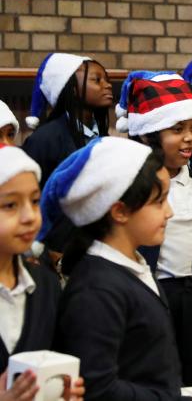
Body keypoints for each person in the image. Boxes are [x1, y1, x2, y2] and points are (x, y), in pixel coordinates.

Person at [43, 137, 192, 400]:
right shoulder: (96, 290)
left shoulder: (132, 264)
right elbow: (98, 388)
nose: (169, 212)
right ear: (120, 211)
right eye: (159, 201)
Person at [118, 71, 192, 384]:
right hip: (163, 298)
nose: (189, 138)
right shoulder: (134, 191)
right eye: (177, 129)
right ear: (149, 134)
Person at [0, 145, 85, 401]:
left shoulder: (44, 283)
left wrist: (64, 389)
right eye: (10, 205)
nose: (29, 216)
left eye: (35, 201)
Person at [23, 53, 113, 186]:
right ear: (73, 88)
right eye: (97, 80)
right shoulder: (45, 139)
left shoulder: (104, 136)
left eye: (107, 80)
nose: (108, 85)